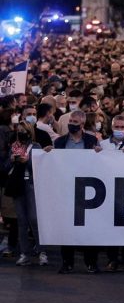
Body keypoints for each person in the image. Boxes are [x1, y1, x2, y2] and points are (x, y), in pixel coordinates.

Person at [46, 110, 101, 273]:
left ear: (82, 124)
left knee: (89, 227)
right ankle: (67, 263)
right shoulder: (60, 142)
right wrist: (47, 153)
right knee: (67, 226)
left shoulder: (91, 140)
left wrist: (100, 153)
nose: (71, 124)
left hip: (88, 188)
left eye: (75, 122)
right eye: (70, 121)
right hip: (66, 188)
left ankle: (91, 262)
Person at [4, 122, 45, 267]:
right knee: (21, 220)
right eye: (19, 130)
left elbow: (40, 167)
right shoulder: (14, 146)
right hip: (17, 184)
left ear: (29, 132)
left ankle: (42, 251)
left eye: (24, 130)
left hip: (31, 185)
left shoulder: (36, 146)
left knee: (34, 219)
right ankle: (24, 254)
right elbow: (5, 167)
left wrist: (27, 161)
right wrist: (12, 160)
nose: (21, 133)